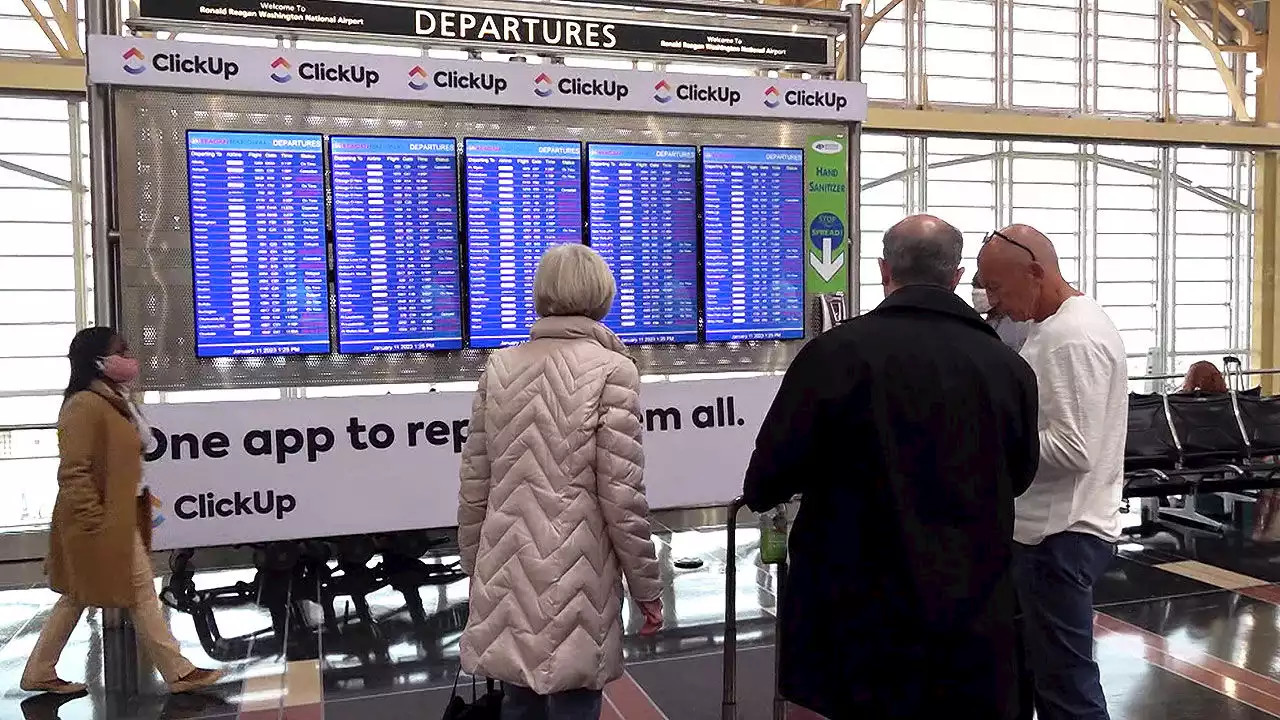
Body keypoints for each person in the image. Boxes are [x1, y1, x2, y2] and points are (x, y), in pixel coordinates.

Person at [742, 215, 1040, 719]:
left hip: (855, 622)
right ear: (956, 275)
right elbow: (1022, 474)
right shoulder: (1008, 368)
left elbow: (767, 477)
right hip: (968, 620)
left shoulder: (833, 356)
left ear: (884, 270)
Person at [457, 244, 664, 720]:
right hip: (577, 575)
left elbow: (476, 481)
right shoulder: (614, 371)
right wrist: (647, 589)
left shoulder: (501, 367)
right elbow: (622, 495)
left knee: (518, 701)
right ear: (602, 295)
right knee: (574, 700)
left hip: (507, 567)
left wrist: (477, 568)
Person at [978, 225, 1127, 720]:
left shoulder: (1070, 337)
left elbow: (1072, 449)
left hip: (1058, 537)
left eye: (996, 287)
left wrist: (985, 444)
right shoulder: (1057, 325)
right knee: (1045, 677)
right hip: (1050, 533)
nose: (991, 301)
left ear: (1036, 273)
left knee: (1067, 690)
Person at [22, 327, 222, 696]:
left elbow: (138, 448)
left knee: (79, 593)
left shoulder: (115, 400)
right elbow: (74, 471)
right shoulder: (83, 405)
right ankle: (178, 671)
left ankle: (39, 670)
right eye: (122, 351)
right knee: (141, 588)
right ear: (99, 361)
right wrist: (94, 521)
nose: (130, 357)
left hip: (120, 514)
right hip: (99, 519)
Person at [974, 271, 1032, 351]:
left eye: (982, 287)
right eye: (974, 286)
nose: (975, 292)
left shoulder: (1017, 325)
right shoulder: (991, 320)